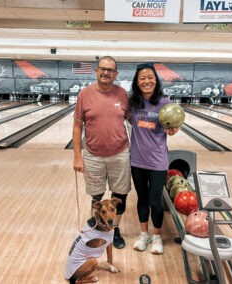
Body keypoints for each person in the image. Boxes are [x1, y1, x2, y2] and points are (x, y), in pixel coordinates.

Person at [72, 56, 131, 249]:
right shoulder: (84, 94)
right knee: (96, 197)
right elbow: (77, 126)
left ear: (116, 74)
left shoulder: (122, 94)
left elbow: (133, 120)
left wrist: (160, 128)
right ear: (96, 71)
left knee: (120, 195)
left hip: (119, 153)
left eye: (110, 70)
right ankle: (98, 230)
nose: (106, 73)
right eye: (102, 69)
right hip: (93, 155)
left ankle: (115, 230)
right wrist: (77, 156)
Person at [129, 63, 179, 255]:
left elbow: (173, 125)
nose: (147, 81)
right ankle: (144, 234)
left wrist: (173, 129)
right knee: (142, 199)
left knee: (155, 201)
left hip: (158, 161)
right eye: (142, 78)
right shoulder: (133, 102)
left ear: (155, 80)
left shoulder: (165, 103)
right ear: (137, 82)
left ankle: (156, 235)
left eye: (150, 77)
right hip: (137, 160)